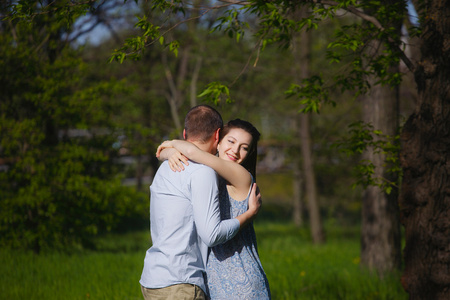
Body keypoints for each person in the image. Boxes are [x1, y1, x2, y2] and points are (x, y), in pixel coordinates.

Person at [139, 106, 262, 300]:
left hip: (239, 278)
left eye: (245, 147)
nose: (236, 151)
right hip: (209, 280)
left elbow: (193, 152)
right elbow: (192, 154)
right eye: (231, 141)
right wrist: (168, 152)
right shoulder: (205, 172)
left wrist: (169, 144)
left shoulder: (240, 176)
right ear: (218, 138)